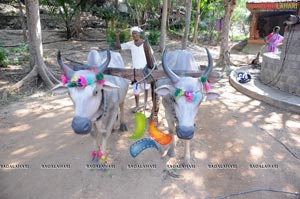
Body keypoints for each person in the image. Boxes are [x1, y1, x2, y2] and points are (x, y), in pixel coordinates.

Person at [116, 27, 151, 113]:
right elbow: (119, 47)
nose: (134, 35)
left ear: (139, 34)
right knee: (136, 88)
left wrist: (151, 67)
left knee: (146, 88)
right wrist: (117, 36)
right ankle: (137, 106)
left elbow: (150, 55)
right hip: (135, 70)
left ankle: (146, 104)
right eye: (133, 34)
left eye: (136, 33)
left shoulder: (145, 43)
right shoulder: (131, 44)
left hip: (145, 69)